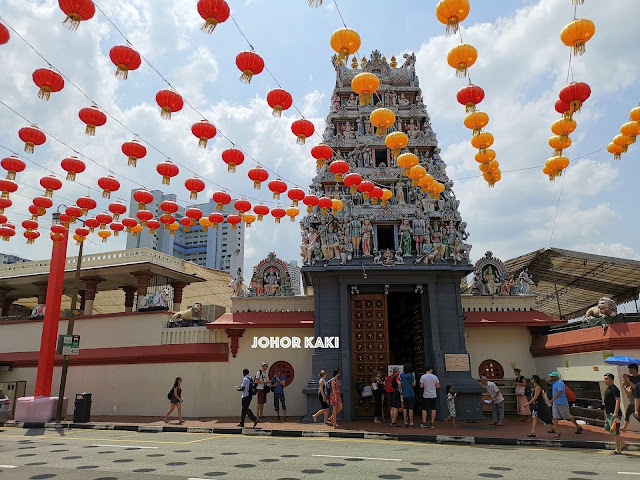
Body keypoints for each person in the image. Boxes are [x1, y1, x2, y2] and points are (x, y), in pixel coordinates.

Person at [548, 371, 582, 437]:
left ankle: (578, 426)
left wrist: (553, 399)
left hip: (561, 402)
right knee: (555, 416)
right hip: (556, 403)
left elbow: (560, 391)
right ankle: (555, 429)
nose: (551, 377)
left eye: (552, 376)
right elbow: (547, 380)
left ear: (556, 377)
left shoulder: (560, 383)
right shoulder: (554, 383)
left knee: (567, 416)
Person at [604, 373, 628, 455]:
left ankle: (618, 450)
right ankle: (623, 443)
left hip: (614, 414)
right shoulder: (608, 389)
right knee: (608, 428)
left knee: (615, 431)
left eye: (607, 379)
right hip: (609, 413)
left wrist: (616, 412)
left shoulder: (614, 389)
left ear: (611, 380)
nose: (605, 380)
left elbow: (618, 400)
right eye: (604, 378)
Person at [621, 363, 640, 432]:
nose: (629, 370)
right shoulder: (631, 378)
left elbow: (636, 387)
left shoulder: (639, 379)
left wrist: (628, 381)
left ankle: (624, 427)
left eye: (630, 369)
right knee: (630, 414)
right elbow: (629, 391)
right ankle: (624, 427)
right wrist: (625, 384)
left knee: (634, 414)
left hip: (637, 399)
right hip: (633, 400)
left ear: (634, 369)